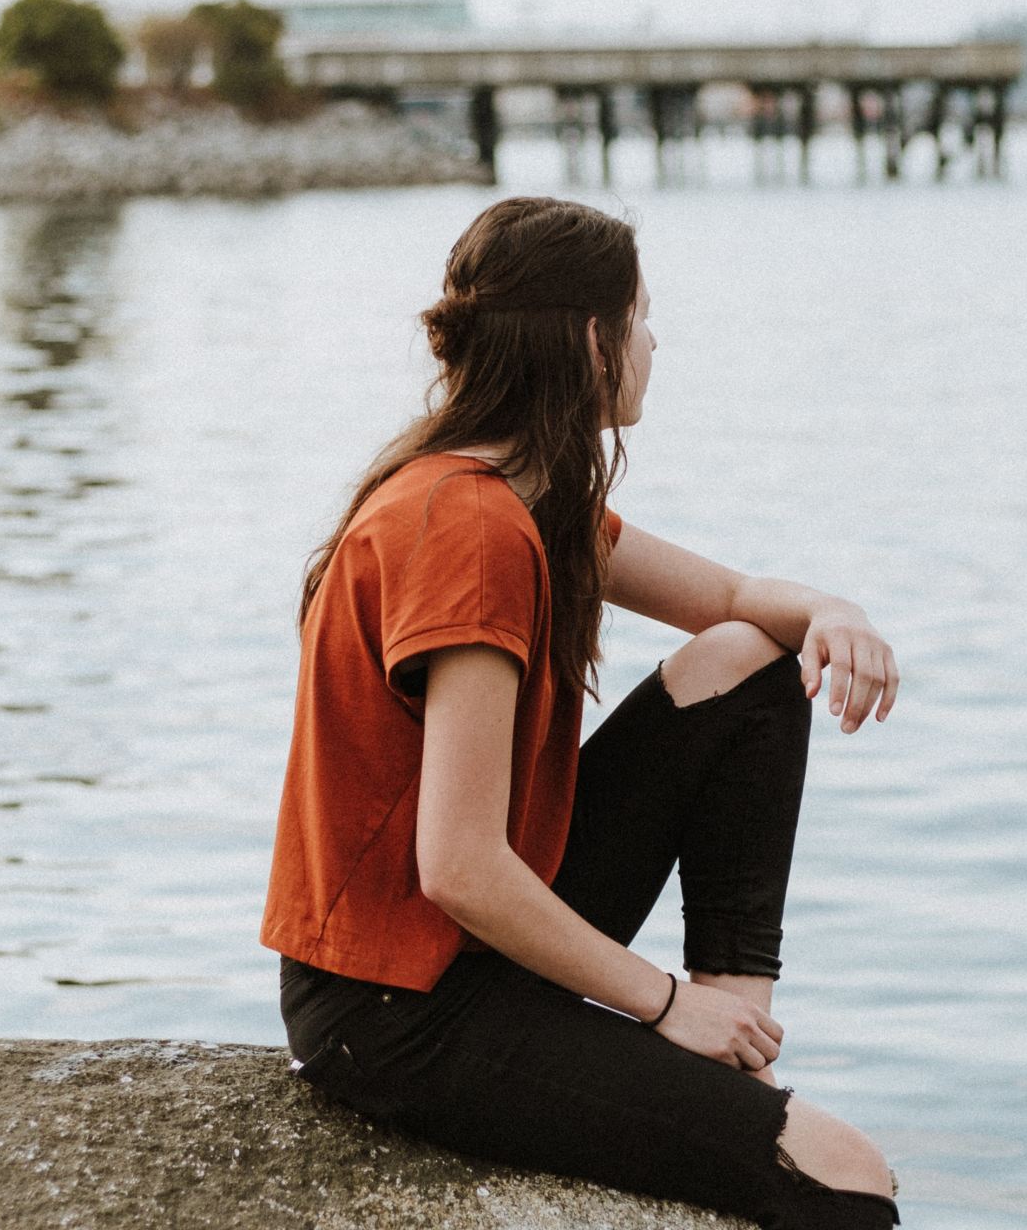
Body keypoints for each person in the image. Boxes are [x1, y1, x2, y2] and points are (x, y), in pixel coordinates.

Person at [261, 196, 904, 1229]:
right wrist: (660, 1003)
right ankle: (729, 1069)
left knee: (754, 662)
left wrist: (839, 612)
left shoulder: (527, 497)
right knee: (843, 1171)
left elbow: (738, 605)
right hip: (398, 1004)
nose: (655, 340)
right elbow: (459, 865)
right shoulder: (467, 528)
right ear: (593, 341)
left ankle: (741, 1045)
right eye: (642, 316)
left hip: (468, 949)